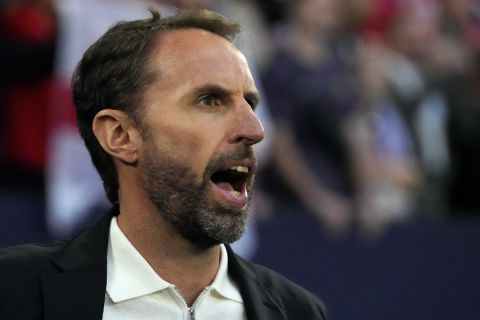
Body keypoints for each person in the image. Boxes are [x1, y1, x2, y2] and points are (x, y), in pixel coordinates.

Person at [0, 8, 329, 320]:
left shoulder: (298, 311)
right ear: (120, 135)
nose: (255, 129)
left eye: (250, 103)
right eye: (210, 100)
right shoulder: (13, 292)